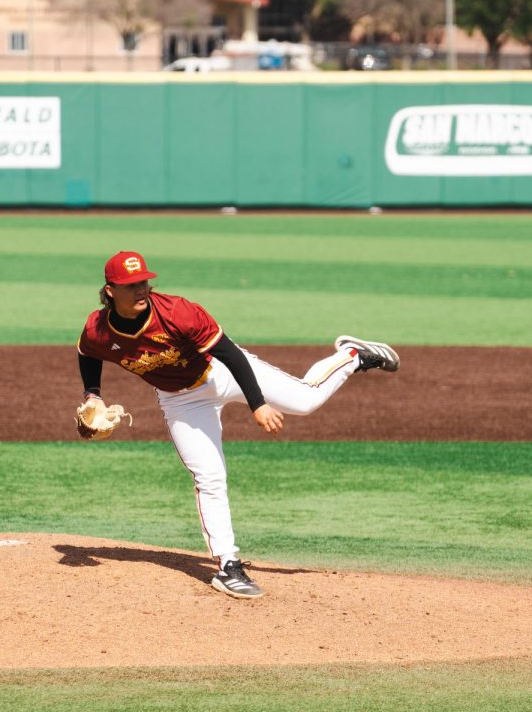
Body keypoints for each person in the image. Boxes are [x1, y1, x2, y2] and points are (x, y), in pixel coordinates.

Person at [76, 251, 399, 599]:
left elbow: (231, 354)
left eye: (144, 282)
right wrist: (92, 395)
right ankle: (228, 565)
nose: (141, 290)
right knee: (209, 477)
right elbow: (88, 353)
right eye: (130, 285)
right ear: (110, 291)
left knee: (305, 402)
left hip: (222, 373)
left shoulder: (178, 312)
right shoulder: (98, 328)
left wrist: (257, 404)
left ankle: (350, 356)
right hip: (181, 400)